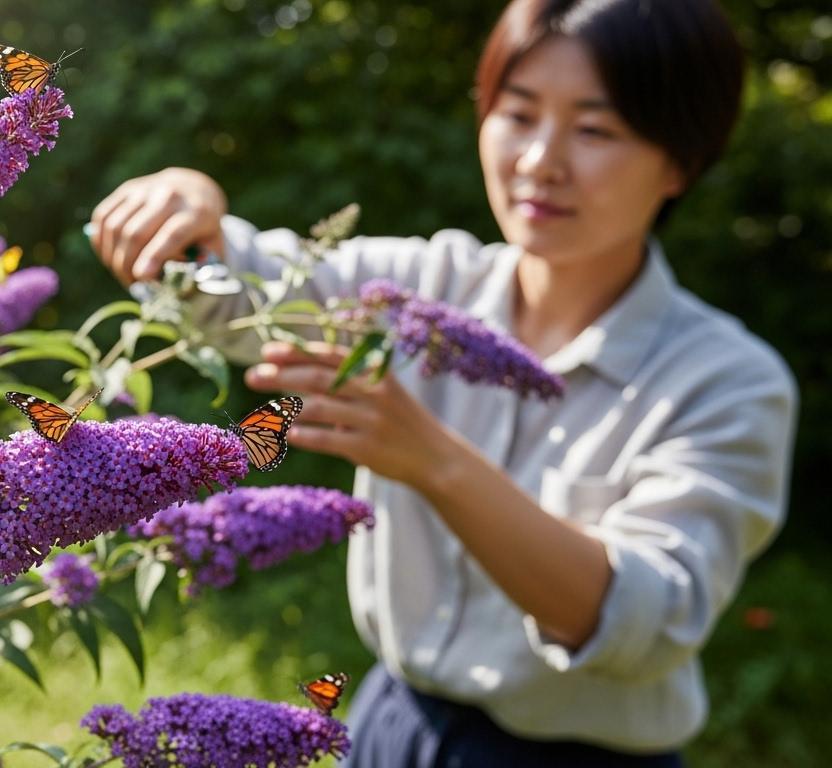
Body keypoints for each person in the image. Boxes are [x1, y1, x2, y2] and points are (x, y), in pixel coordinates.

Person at [88, 0, 798, 765]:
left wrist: (435, 462)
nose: (539, 160)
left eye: (595, 130)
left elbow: (643, 622)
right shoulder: (422, 287)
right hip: (391, 723)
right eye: (518, 114)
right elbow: (240, 296)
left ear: (681, 160)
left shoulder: (728, 383)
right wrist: (191, 206)